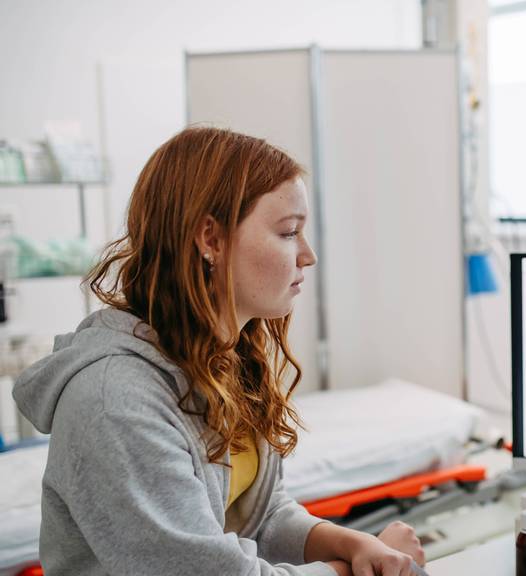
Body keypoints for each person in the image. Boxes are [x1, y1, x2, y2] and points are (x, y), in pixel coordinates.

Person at [14, 127, 425, 576]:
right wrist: (354, 572)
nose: (307, 256)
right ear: (210, 239)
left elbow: (256, 514)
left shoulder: (225, 359)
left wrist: (353, 543)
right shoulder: (113, 401)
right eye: (289, 232)